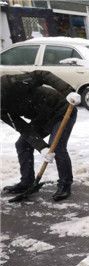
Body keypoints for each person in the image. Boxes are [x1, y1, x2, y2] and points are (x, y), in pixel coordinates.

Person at [1, 71, 80, 201]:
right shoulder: (1, 110)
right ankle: (26, 182)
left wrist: (68, 91)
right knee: (23, 144)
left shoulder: (9, 83)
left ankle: (65, 184)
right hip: (41, 117)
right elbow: (23, 128)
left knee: (57, 146)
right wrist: (42, 147)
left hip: (61, 109)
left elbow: (42, 75)